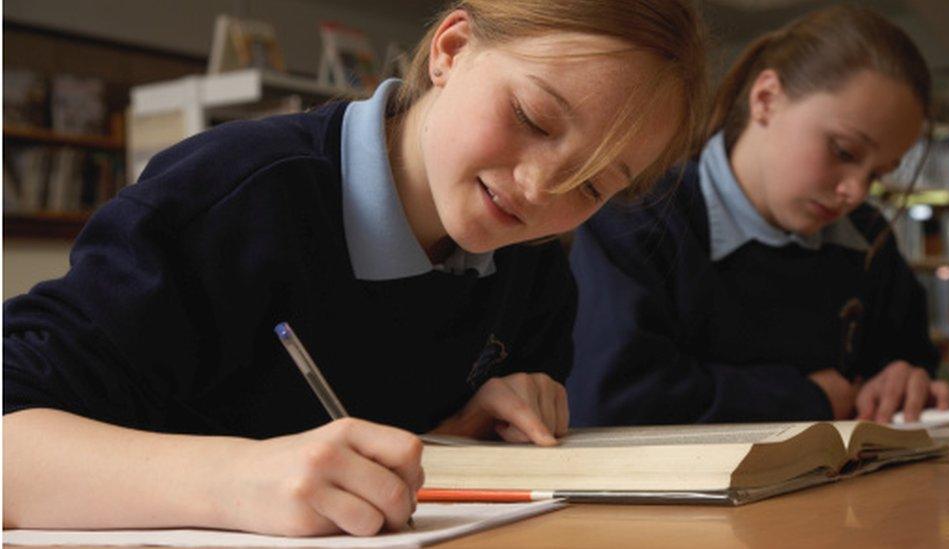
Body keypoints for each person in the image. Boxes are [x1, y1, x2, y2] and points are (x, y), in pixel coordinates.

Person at [3, 0, 707, 538]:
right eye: (531, 116)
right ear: (452, 51)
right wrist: (237, 476)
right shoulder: (235, 197)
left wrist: (463, 434)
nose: (538, 189)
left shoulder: (536, 275)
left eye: (591, 185)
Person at [568, 6, 949, 428]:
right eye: (843, 151)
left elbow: (908, 362)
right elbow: (610, 398)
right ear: (765, 99)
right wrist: (808, 398)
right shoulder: (636, 216)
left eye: (878, 173)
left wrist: (906, 380)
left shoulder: (869, 238)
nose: (856, 192)